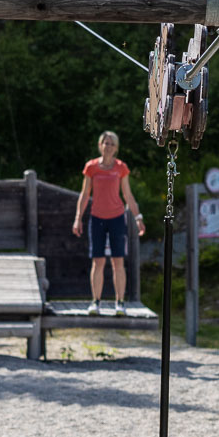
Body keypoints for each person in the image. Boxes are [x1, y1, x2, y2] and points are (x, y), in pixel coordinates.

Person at [72, 131, 145, 316]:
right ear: (99, 146)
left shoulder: (121, 168)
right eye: (105, 143)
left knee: (118, 261)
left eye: (112, 143)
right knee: (98, 261)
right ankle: (95, 302)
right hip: (97, 218)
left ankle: (119, 303)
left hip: (117, 218)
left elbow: (128, 195)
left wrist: (138, 218)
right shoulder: (91, 167)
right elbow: (85, 194)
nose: (108, 146)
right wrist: (78, 218)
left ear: (116, 148)